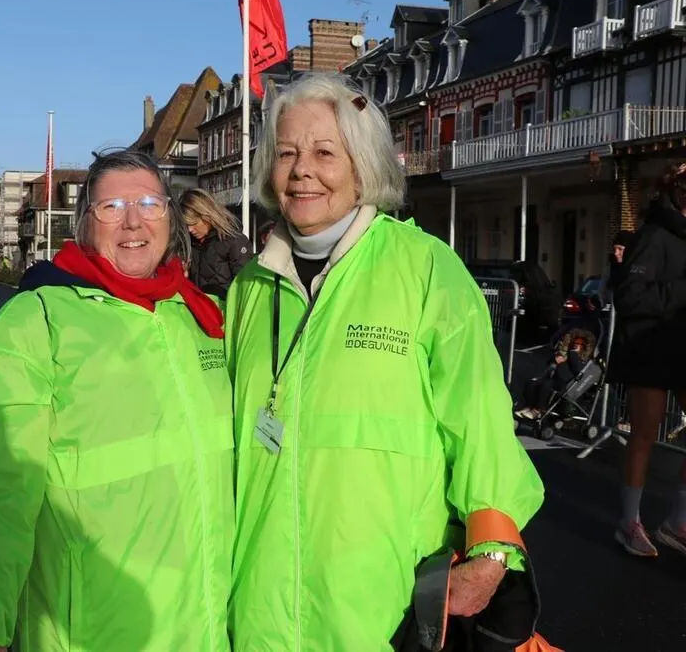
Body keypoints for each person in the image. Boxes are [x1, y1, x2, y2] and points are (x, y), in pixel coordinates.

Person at [223, 73, 546, 650]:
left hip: (386, 603)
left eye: (325, 152)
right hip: (261, 605)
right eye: (287, 153)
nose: (302, 170)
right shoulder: (249, 288)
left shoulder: (426, 269)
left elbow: (480, 425)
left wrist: (491, 553)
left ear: (362, 163)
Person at [0, 149, 233, 652]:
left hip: (204, 631)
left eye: (150, 204)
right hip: (90, 634)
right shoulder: (34, 323)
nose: (133, 221)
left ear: (170, 219)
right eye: (111, 208)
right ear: (84, 226)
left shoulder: (200, 319)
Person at [608, 161, 686, 558]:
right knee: (644, 435)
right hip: (649, 349)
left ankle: (678, 522)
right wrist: (680, 294)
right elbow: (629, 296)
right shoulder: (654, 235)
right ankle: (629, 522)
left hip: (681, 345)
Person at [179, 188, 252, 298]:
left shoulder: (234, 242)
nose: (190, 229)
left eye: (193, 223)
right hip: (197, 310)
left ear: (207, 216)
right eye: (186, 225)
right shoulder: (187, 244)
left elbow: (246, 287)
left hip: (226, 311)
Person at [516, 325, 596, 419]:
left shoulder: (582, 360)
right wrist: (555, 359)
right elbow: (549, 362)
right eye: (574, 342)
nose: (575, 344)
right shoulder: (564, 353)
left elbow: (578, 370)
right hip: (555, 379)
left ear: (584, 346)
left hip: (568, 385)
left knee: (546, 385)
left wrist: (573, 353)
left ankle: (538, 410)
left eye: (579, 343)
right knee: (531, 383)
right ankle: (529, 406)